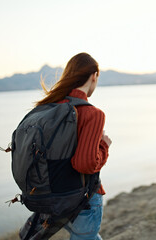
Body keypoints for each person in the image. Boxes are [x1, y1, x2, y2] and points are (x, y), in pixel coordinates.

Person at [36, 52, 112, 240]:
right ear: (94, 76)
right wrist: (104, 146)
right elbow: (84, 164)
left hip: (51, 197)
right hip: (82, 200)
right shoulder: (92, 114)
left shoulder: (51, 107)